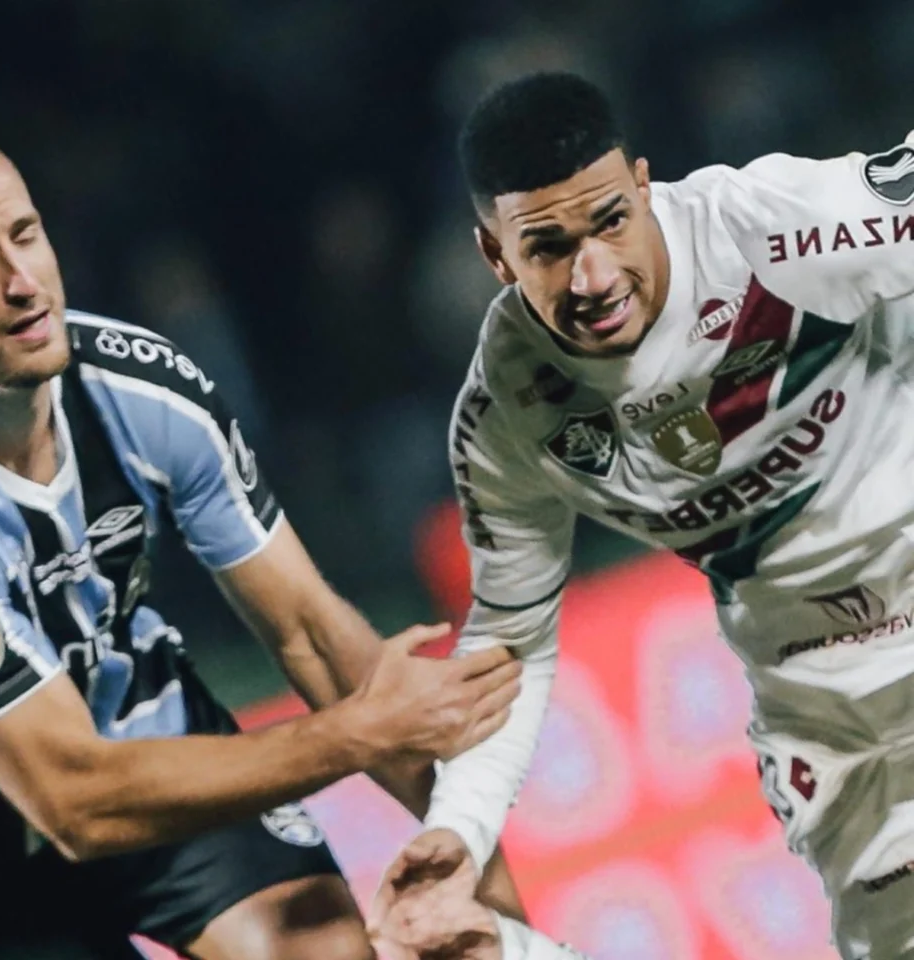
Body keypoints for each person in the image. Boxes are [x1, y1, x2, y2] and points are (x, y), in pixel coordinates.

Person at [0, 129, 527, 960]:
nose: (23, 284)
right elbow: (76, 800)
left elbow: (309, 630)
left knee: (316, 951)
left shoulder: (145, 388)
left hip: (143, 736)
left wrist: (483, 875)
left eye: (25, 235)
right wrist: (362, 734)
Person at [369, 72, 914, 960]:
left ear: (645, 186)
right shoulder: (509, 411)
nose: (594, 275)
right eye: (547, 247)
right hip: (830, 725)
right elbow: (511, 636)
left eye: (612, 221)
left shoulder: (773, 227)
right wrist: (461, 831)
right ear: (494, 256)